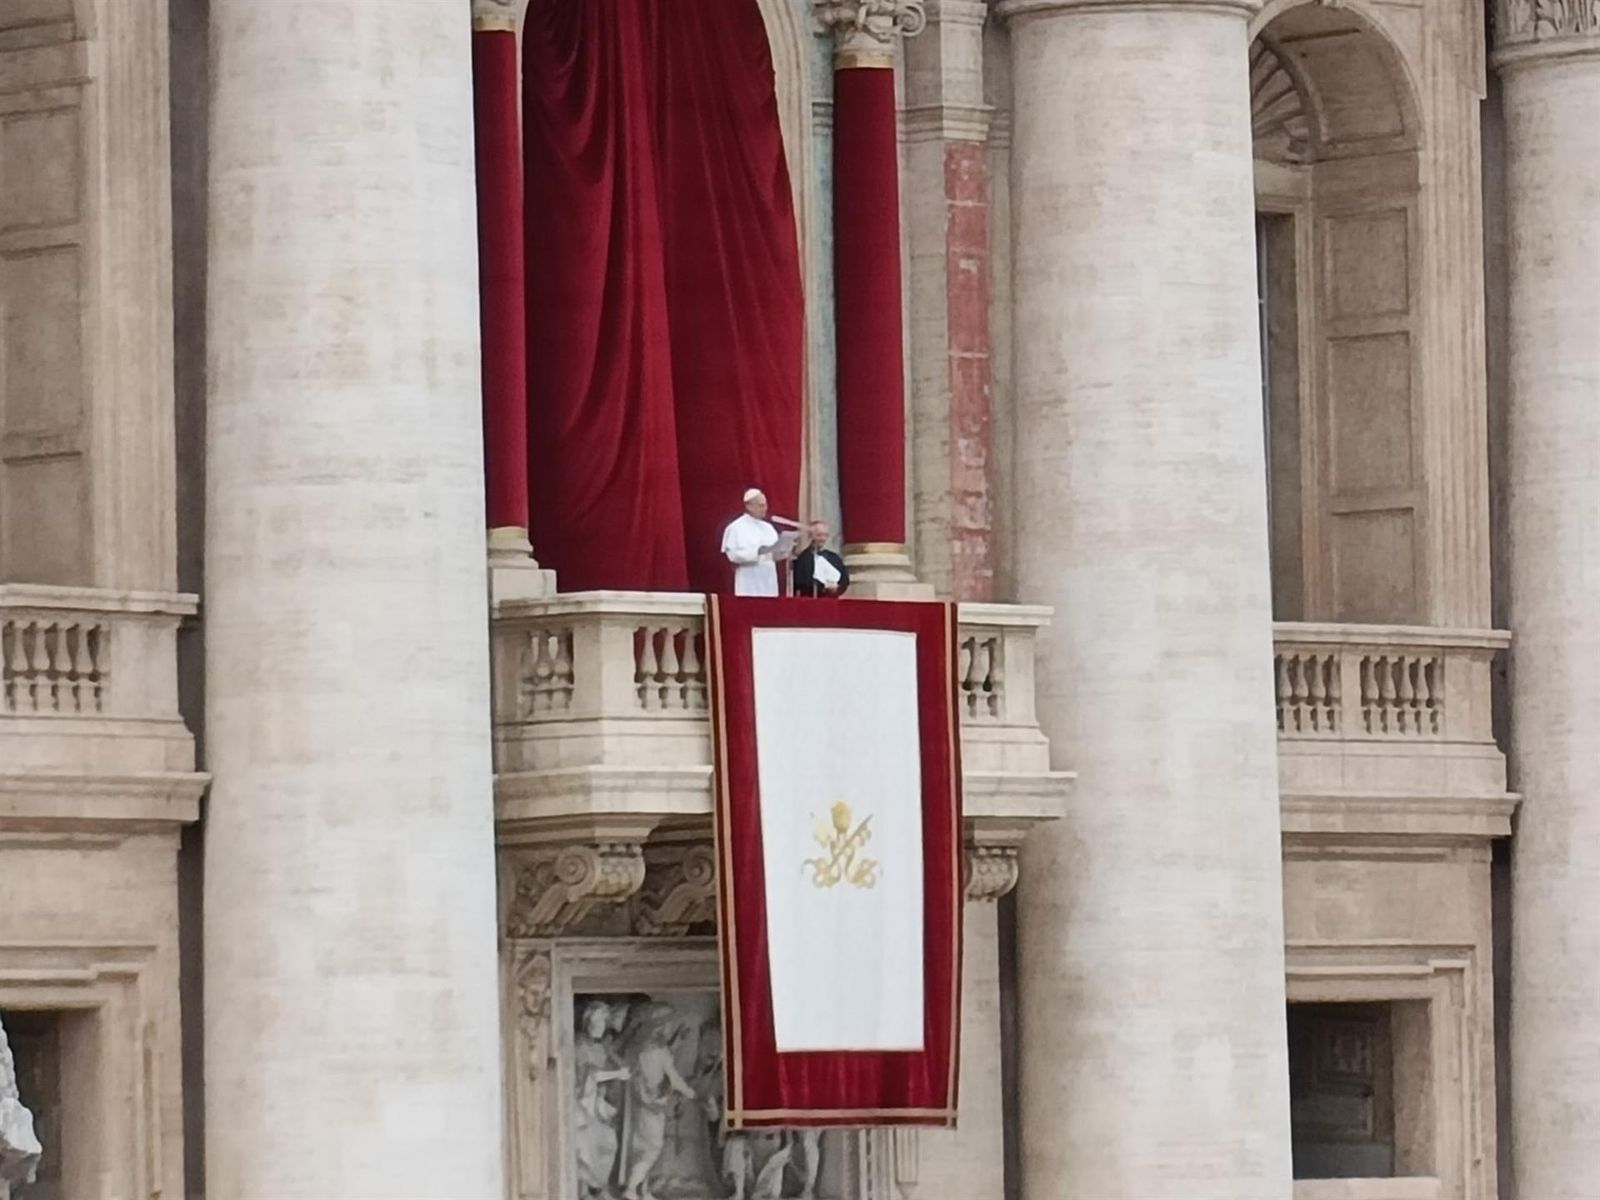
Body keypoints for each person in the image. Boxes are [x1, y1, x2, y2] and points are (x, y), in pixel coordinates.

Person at [720, 488, 789, 597]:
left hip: (769, 581)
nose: (765, 509)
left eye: (765, 505)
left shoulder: (769, 528)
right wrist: (756, 552)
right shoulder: (736, 527)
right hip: (748, 581)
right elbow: (733, 556)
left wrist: (786, 550)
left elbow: (774, 555)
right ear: (749, 506)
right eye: (761, 506)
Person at [791, 520, 849, 598]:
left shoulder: (834, 557)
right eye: (819, 535)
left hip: (832, 601)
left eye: (825, 535)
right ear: (811, 535)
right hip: (811, 602)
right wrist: (823, 587)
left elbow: (844, 578)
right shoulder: (803, 558)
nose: (823, 538)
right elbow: (801, 582)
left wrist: (837, 588)